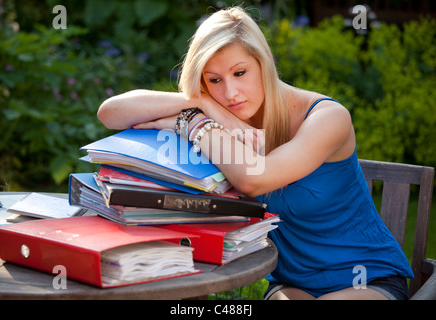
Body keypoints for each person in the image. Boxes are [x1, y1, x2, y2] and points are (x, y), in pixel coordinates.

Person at [97, 7, 413, 300]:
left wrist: (192, 122)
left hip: (366, 279)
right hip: (292, 286)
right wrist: (201, 105)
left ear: (264, 63)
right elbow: (110, 114)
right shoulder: (218, 117)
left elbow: (253, 178)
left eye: (240, 72)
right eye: (214, 80)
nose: (230, 94)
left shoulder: (328, 117)